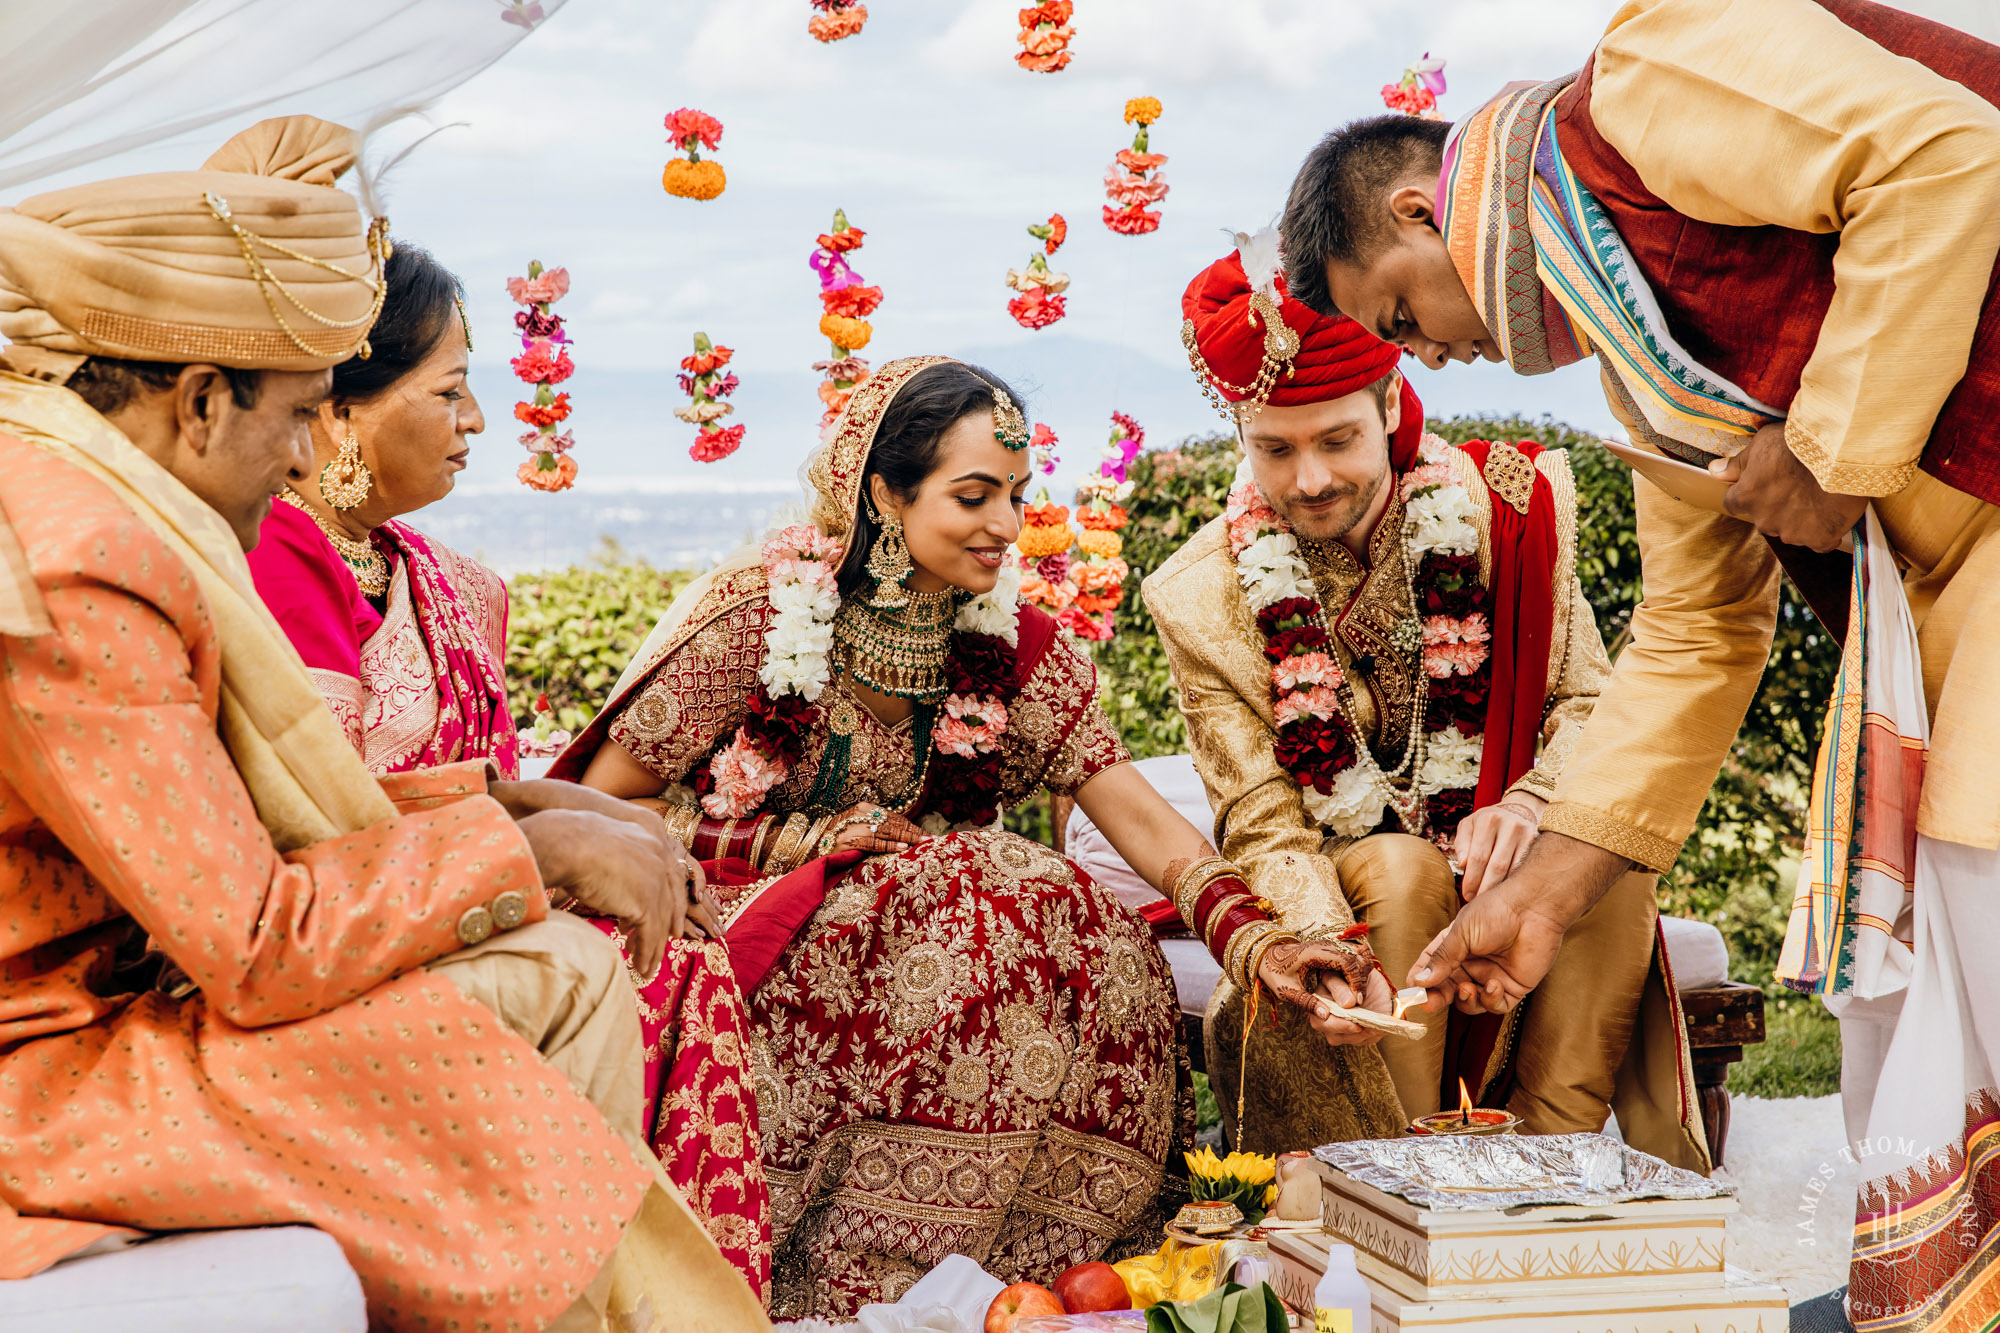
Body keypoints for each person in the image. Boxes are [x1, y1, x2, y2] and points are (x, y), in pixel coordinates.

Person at [1280, 1, 2000, 1325]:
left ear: (1416, 208)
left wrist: (1829, 448)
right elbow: (1695, 636)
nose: (1433, 353)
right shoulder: (1642, 375)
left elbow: (1947, 156)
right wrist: (1544, 898)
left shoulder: (1653, 70)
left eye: (1400, 314)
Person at [0, 116, 767, 1332]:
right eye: (299, 412)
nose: (303, 452)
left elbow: (234, 848)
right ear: (201, 400)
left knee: (561, 966)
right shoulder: (85, 561)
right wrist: (532, 849)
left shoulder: (83, 501)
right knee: (549, 992)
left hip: (101, 1029)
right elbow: (253, 945)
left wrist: (503, 811)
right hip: (47, 1087)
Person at [555, 356, 1365, 1318]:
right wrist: (807, 842)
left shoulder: (1013, 648)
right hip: (742, 916)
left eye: (1018, 496)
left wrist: (1258, 940)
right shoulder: (757, 617)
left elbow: (1131, 808)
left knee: (1071, 917)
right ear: (884, 494)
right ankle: (850, 1280)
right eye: (974, 495)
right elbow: (608, 812)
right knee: (969, 897)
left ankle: (1021, 1276)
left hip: (934, 912)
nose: (1008, 526)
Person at [243, 241, 771, 1300]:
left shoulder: (435, 576)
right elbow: (315, 837)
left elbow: (472, 785)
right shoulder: (284, 557)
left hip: (426, 903)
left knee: (681, 932)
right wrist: (552, 842)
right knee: (658, 966)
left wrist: (587, 827)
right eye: (448, 390)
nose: (478, 420)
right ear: (334, 415)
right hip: (346, 942)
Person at [1141, 236, 1703, 1167]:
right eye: (1275, 450)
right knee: (1402, 868)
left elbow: (1590, 704)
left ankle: (1543, 1172)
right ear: (1243, 438)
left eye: (1337, 440)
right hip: (1348, 915)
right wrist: (1321, 948)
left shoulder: (1503, 510)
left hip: (1508, 885)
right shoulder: (1198, 593)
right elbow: (1263, 823)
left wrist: (1527, 805)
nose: (1310, 479)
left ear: (1391, 406)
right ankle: (1401, 1191)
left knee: (1605, 844)